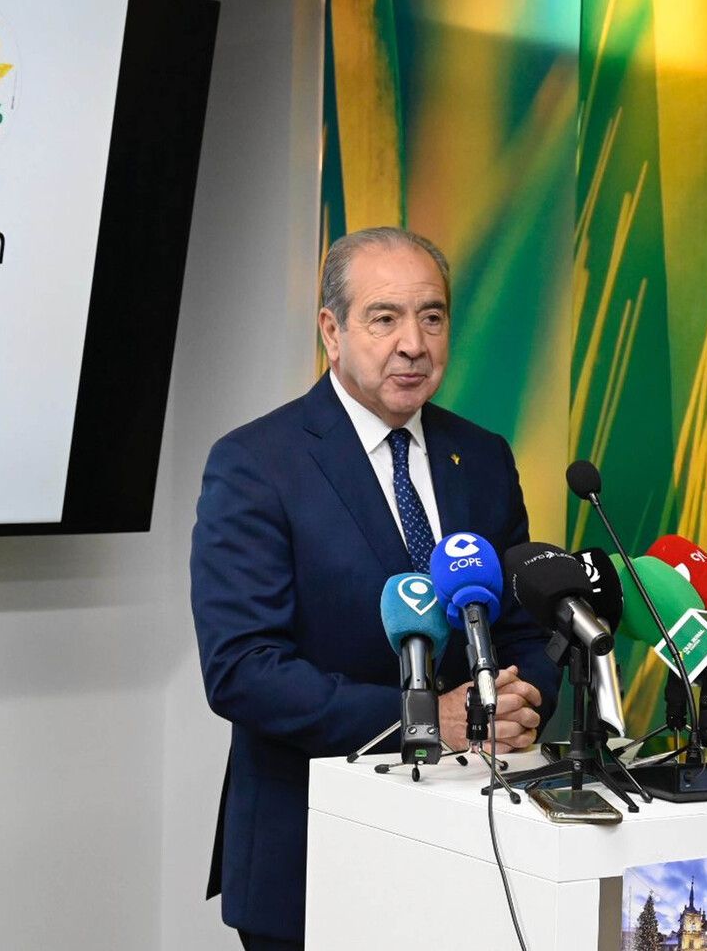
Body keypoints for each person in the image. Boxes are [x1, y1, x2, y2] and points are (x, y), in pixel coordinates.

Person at [190, 226, 562, 951]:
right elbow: (242, 671)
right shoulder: (256, 463)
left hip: (473, 851)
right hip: (313, 855)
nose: (414, 343)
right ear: (332, 331)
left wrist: (522, 702)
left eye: (432, 316)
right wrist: (428, 719)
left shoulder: (482, 456)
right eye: (384, 318)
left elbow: (521, 625)